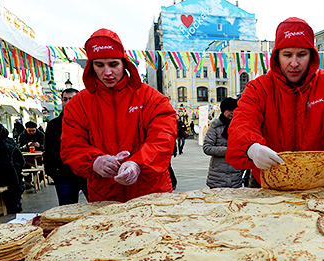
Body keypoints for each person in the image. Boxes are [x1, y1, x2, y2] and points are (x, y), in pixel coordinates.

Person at [225, 17, 324, 184]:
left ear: (311, 55)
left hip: (318, 181)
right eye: (287, 55)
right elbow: (242, 124)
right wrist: (251, 147)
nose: (294, 63)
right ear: (277, 56)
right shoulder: (258, 88)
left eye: (302, 55)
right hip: (268, 180)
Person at [61, 28, 176, 203]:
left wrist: (137, 163)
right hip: (105, 195)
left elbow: (163, 138)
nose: (107, 72)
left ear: (124, 63)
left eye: (113, 64)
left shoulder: (152, 98)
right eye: (99, 65)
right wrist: (95, 161)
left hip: (151, 192)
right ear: (91, 67)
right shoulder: (78, 104)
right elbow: (72, 145)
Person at [43, 88, 88, 206]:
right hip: (64, 175)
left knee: (96, 208)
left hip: (86, 173)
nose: (68, 102)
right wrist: (53, 172)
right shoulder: (54, 125)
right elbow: (48, 149)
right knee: (66, 211)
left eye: (71, 99)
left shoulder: (88, 120)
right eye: (65, 99)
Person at [203, 97, 244, 188]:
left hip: (235, 177)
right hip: (217, 177)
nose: (232, 113)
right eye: (230, 110)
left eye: (235, 110)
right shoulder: (215, 126)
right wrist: (230, 151)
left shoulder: (239, 126)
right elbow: (207, 148)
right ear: (223, 110)